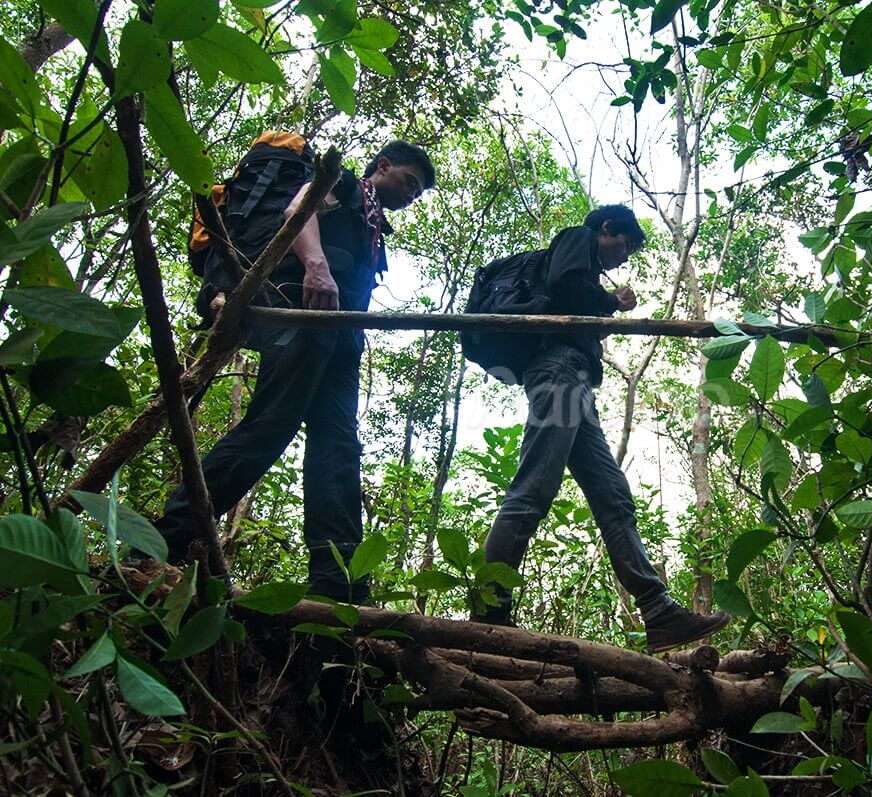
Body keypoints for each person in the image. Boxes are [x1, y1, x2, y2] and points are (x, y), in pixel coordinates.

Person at [157, 140, 435, 604]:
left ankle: (338, 585)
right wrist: (316, 266)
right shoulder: (344, 185)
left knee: (339, 444)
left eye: (418, 192)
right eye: (409, 182)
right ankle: (167, 538)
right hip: (301, 310)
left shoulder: (373, 223)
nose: (411, 195)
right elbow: (296, 212)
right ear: (383, 166)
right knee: (271, 425)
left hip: (342, 337)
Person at [476, 205, 731, 653]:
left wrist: (604, 303)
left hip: (573, 383)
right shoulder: (578, 238)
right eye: (625, 245)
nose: (624, 257)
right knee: (532, 489)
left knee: (614, 498)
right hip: (558, 373)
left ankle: (658, 611)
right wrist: (613, 301)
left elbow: (570, 297)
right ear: (606, 229)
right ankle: (488, 612)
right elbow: (564, 288)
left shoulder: (588, 268)